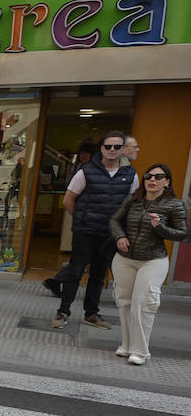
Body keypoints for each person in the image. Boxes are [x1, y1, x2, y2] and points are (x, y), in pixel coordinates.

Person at [51, 131, 138, 330]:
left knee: (99, 275)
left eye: (117, 146)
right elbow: (68, 199)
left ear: (122, 150)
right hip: (85, 231)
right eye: (108, 146)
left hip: (109, 234)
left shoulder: (130, 176)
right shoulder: (86, 171)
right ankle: (63, 311)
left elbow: (132, 205)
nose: (112, 150)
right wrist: (82, 219)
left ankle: (91, 313)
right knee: (75, 271)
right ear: (101, 149)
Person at [108, 163, 187, 365]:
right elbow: (115, 220)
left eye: (159, 177)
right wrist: (119, 237)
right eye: (148, 176)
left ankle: (141, 351)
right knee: (124, 302)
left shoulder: (174, 204)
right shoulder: (134, 200)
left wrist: (159, 226)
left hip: (153, 260)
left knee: (143, 304)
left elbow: (182, 234)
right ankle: (127, 346)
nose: (152, 180)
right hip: (124, 258)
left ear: (167, 182)